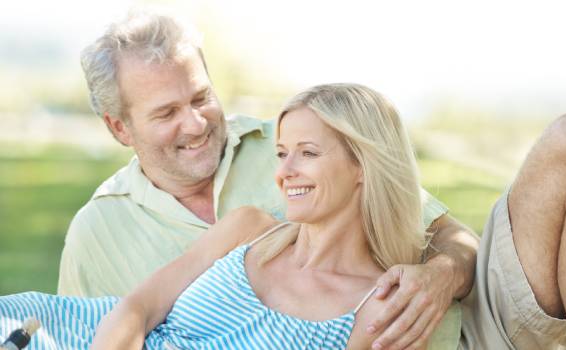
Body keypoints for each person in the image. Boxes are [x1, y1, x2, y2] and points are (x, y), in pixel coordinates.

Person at [58, 11, 476, 349]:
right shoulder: (98, 230)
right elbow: (107, 320)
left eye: (201, 97)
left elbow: (446, 233)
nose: (196, 123)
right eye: (166, 113)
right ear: (120, 128)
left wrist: (442, 276)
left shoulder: (291, 139)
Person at [0, 83, 466, 349]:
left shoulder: (375, 307)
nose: (284, 171)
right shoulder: (250, 228)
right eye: (281, 152)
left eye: (307, 153)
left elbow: (463, 245)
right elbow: (138, 308)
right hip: (64, 331)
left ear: (363, 166)